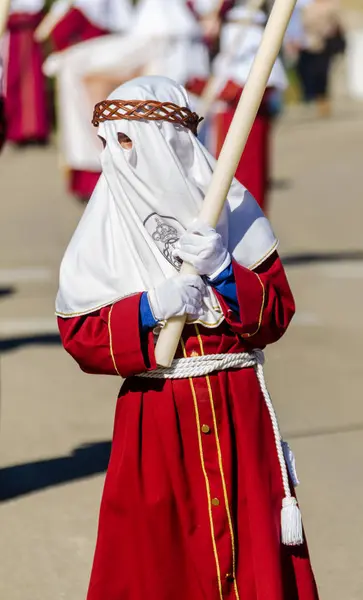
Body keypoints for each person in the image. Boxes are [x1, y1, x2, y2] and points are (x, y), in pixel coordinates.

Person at [57, 75, 319, 600]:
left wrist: (226, 268)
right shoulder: (104, 225)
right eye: (109, 142)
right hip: (156, 416)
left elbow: (276, 312)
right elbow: (80, 333)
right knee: (157, 563)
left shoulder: (235, 214)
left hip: (236, 409)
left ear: (167, 140)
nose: (116, 156)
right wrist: (150, 308)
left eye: (129, 141)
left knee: (252, 553)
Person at [188, 4, 288, 215]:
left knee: (247, 186)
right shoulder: (225, 58)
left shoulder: (256, 56)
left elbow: (248, 91)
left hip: (248, 129)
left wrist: (209, 88)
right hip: (221, 125)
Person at [42, 0, 136, 201]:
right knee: (96, 131)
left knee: (88, 132)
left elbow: (56, 35)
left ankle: (94, 182)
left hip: (85, 81)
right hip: (92, 82)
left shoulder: (79, 12)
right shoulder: (113, 13)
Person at [4, 0, 50, 146]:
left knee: (34, 82)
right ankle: (18, 130)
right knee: (15, 81)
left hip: (30, 32)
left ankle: (34, 129)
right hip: (14, 34)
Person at [293, 0, 345, 117]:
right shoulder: (306, 7)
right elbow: (301, 25)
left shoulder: (332, 6)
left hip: (325, 44)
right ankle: (312, 98)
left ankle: (323, 102)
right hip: (308, 44)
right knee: (306, 72)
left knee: (322, 74)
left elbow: (337, 24)